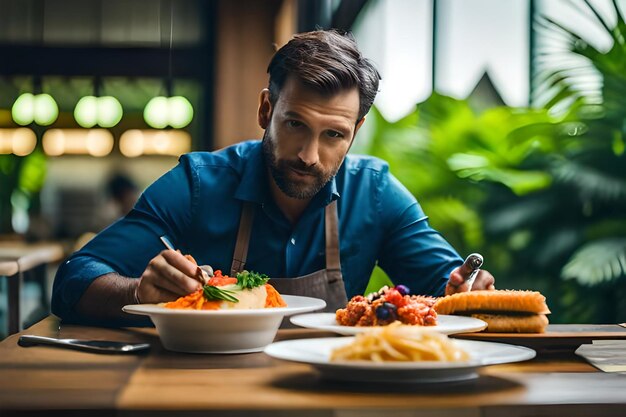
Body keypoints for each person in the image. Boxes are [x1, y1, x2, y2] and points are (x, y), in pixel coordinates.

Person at [51, 29, 495, 326]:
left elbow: (453, 291)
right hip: (203, 391)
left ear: (355, 132)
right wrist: (141, 292)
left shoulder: (376, 195)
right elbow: (73, 279)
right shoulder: (197, 184)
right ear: (267, 110)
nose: (308, 155)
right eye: (295, 125)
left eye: (333, 135)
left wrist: (467, 292)